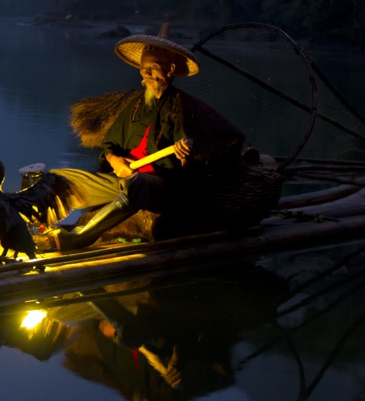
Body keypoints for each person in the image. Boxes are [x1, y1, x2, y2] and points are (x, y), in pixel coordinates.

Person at [53, 28, 245, 250]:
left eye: (153, 68)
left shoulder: (186, 107)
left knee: (139, 184)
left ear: (170, 70)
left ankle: (78, 237)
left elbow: (226, 143)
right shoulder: (134, 106)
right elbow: (108, 145)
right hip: (125, 180)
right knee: (61, 177)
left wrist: (189, 158)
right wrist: (115, 160)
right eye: (143, 70)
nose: (147, 74)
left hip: (163, 187)